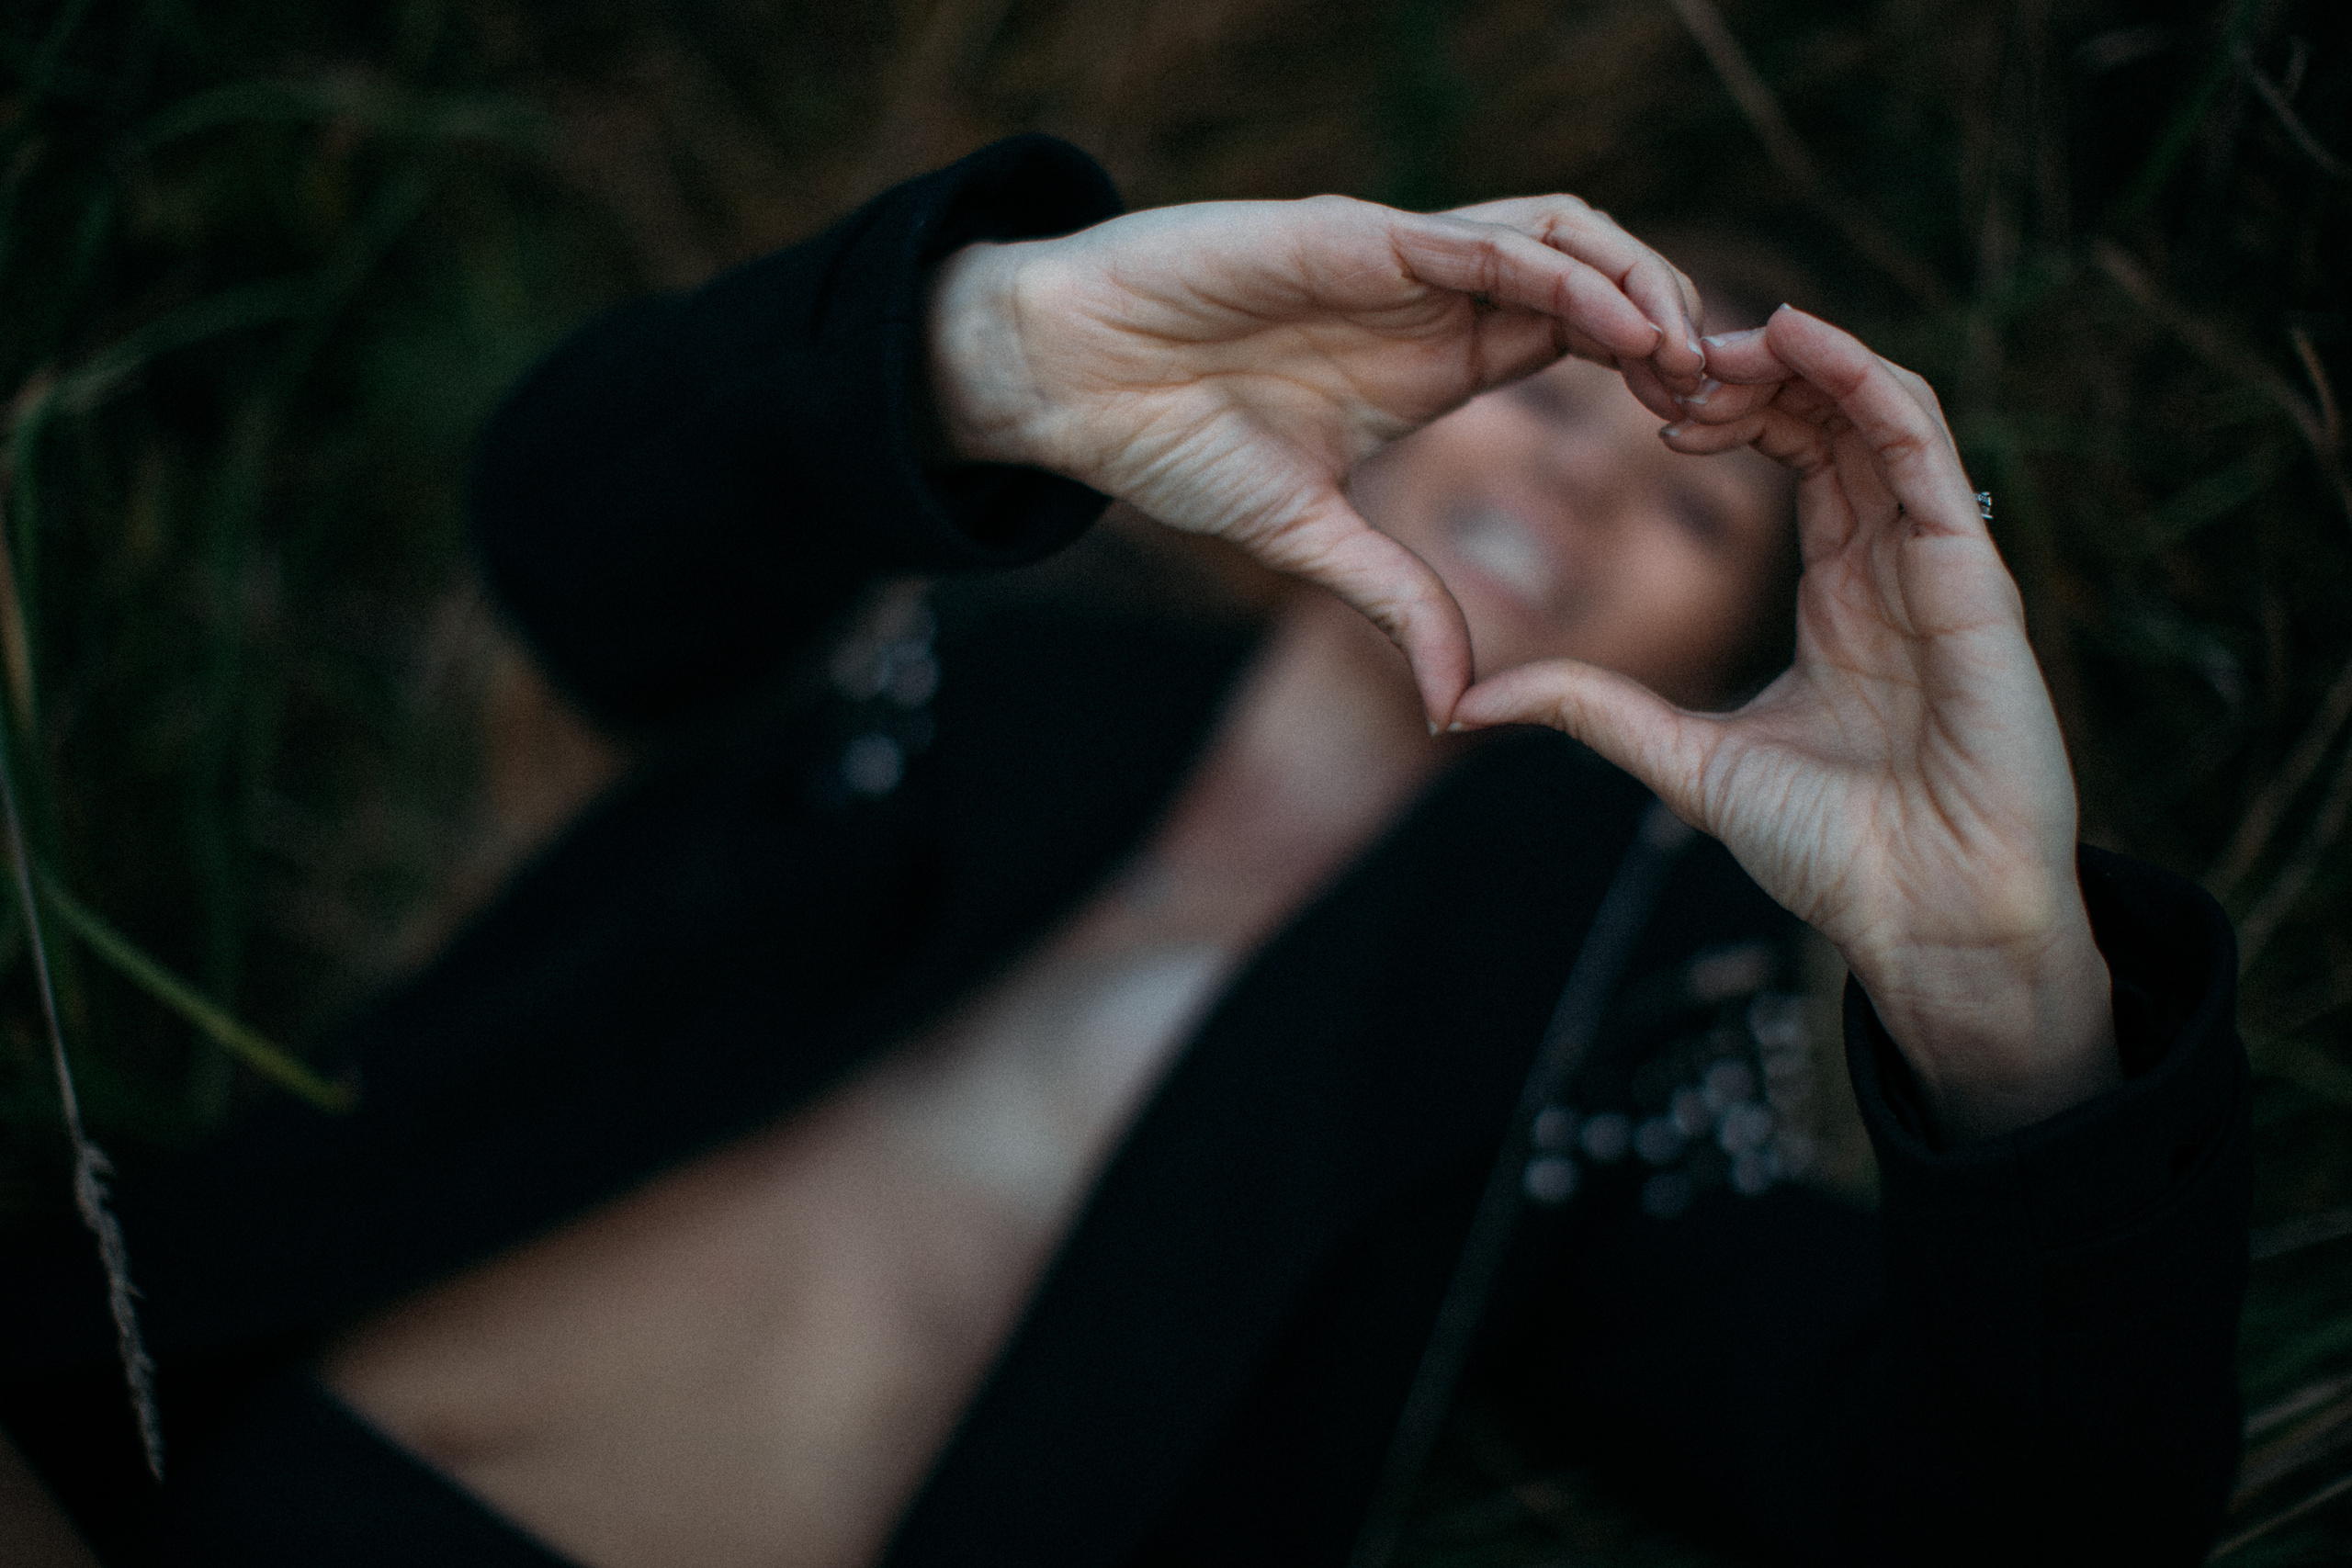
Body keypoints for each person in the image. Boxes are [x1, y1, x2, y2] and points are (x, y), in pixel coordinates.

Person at [0, 136, 2246, 1568]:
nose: (1576, 480)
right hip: (177, 1443)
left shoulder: (1600, 1030)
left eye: (1690, 506)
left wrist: (2000, 991)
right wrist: (973, 351)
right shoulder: (975, 640)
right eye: (1557, 394)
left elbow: (2006, 1524)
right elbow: (570, 544)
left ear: (1751, 656)